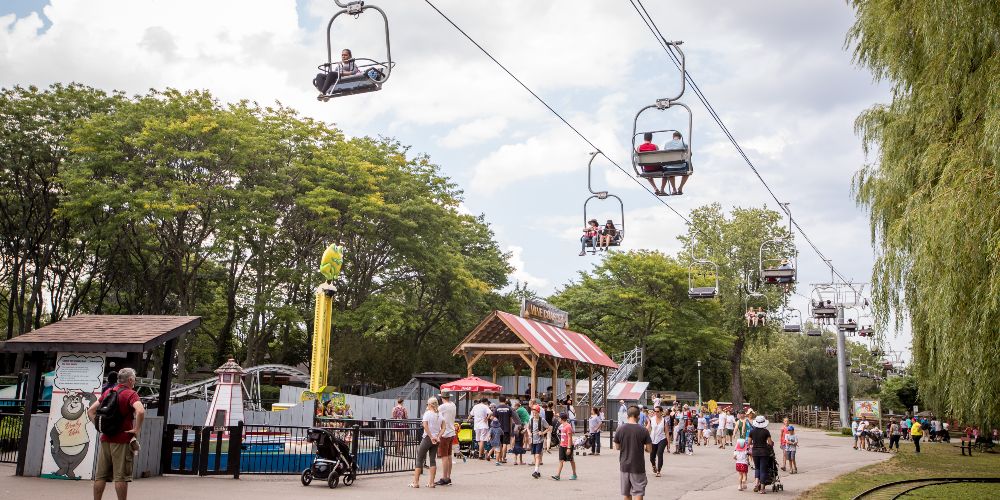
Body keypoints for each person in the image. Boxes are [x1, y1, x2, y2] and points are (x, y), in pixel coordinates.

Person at [88, 367, 143, 500]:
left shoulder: (108, 391)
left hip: (105, 438)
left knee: (100, 476)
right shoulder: (131, 394)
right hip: (122, 440)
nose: (134, 380)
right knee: (121, 477)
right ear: (130, 380)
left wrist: (100, 427)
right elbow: (140, 411)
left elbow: (90, 411)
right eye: (134, 378)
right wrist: (137, 429)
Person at [615, 406, 653, 500]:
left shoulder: (620, 429)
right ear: (638, 416)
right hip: (638, 466)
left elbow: (617, 447)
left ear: (627, 415)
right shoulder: (643, 430)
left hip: (624, 465)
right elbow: (649, 449)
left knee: (627, 493)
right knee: (639, 491)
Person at [410, 397, 443, 488]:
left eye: (427, 404)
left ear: (430, 405)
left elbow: (425, 425)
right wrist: (438, 436)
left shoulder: (427, 413)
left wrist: (431, 436)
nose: (427, 405)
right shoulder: (440, 414)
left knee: (419, 459)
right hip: (436, 439)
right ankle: (431, 483)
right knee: (432, 460)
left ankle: (415, 482)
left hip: (428, 438)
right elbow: (444, 427)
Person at [747, 415, 774, 494]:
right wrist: (771, 444)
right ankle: (762, 489)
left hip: (755, 452)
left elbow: (748, 443)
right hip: (764, 452)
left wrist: (754, 443)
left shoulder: (752, 431)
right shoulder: (766, 431)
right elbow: (770, 442)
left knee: (757, 468)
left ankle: (756, 484)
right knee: (763, 469)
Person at [435, 393, 456, 486]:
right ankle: (448, 476)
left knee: (444, 457)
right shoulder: (453, 405)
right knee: (449, 455)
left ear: (442, 397)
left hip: (444, 433)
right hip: (451, 432)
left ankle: (444, 478)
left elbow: (434, 412)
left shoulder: (443, 406)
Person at [552, 412, 577, 480]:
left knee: (571, 460)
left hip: (568, 446)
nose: (558, 419)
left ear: (562, 419)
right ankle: (558, 475)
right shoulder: (562, 425)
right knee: (561, 460)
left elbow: (569, 437)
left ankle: (574, 474)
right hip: (562, 445)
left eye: (559, 418)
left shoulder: (568, 426)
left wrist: (569, 448)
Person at [527, 406, 550, 478]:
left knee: (537, 456)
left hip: (540, 440)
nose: (534, 414)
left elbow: (548, 428)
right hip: (533, 440)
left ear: (538, 412)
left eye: (535, 413)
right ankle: (538, 471)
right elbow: (528, 427)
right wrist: (529, 433)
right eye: (533, 413)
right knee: (535, 456)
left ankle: (535, 471)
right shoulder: (531, 420)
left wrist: (543, 433)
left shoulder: (542, 420)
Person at [646, 406, 668, 477]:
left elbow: (667, 432)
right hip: (652, 440)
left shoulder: (664, 420)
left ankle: (659, 471)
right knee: (652, 457)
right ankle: (653, 466)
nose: (656, 413)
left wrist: (668, 444)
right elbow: (648, 428)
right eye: (655, 411)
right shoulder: (651, 419)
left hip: (662, 439)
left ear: (661, 412)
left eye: (657, 411)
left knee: (660, 453)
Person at [494, 396, 515, 464]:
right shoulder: (509, 408)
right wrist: (511, 428)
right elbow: (511, 419)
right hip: (506, 428)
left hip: (498, 428)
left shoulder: (497, 408)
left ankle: (499, 458)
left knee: (499, 443)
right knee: (505, 443)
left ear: (499, 400)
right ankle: (503, 458)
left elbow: (494, 418)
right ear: (505, 400)